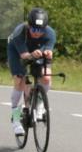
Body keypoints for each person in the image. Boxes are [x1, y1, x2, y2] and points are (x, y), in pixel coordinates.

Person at [7, 8, 57, 137]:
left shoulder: (50, 33)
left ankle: (39, 104)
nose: (37, 33)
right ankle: (16, 118)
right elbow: (24, 56)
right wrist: (31, 55)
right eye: (34, 29)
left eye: (41, 30)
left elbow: (49, 51)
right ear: (29, 26)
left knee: (46, 77)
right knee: (20, 80)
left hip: (37, 50)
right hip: (18, 51)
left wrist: (48, 52)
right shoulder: (19, 33)